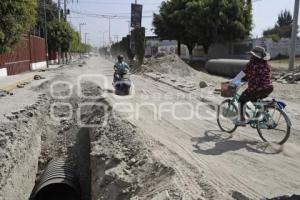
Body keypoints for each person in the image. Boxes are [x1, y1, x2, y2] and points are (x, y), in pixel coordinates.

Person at [230, 46, 274, 126]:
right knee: (255, 100)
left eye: (252, 55)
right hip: (269, 87)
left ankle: (242, 120)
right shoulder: (266, 64)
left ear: (254, 55)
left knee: (242, 99)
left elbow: (243, 73)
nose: (251, 56)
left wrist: (233, 81)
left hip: (257, 88)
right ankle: (264, 113)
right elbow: (260, 75)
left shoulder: (252, 63)